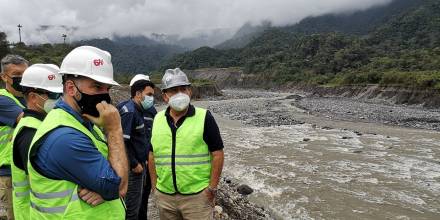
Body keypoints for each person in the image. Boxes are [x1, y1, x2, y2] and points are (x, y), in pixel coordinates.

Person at [27, 46, 128, 219]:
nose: (104, 96)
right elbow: (119, 186)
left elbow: (112, 177)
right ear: (71, 88)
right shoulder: (64, 137)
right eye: (97, 87)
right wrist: (114, 129)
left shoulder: (84, 122)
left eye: (107, 89)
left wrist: (104, 189)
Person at [149, 68, 224, 219]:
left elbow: (217, 154)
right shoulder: (157, 119)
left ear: (190, 92)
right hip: (165, 197)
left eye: (183, 89)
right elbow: (151, 155)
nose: (179, 94)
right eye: (173, 90)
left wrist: (212, 189)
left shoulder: (204, 117)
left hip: (197, 198)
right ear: (164, 96)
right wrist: (155, 187)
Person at [10, 64, 63, 220]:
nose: (59, 99)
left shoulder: (42, 125)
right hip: (35, 214)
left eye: (61, 94)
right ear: (33, 97)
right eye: (54, 95)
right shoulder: (30, 133)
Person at [117, 74, 157, 219]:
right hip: (133, 169)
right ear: (138, 94)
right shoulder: (130, 112)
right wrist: (134, 164)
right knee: (131, 209)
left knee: (140, 204)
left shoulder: (142, 111)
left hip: (141, 165)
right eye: (149, 94)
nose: (152, 98)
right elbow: (121, 143)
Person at [0, 54, 28, 220]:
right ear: (4, 76)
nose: (22, 80)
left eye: (26, 75)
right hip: (7, 174)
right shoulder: (3, 100)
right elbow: (27, 120)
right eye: (17, 76)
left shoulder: (28, 98)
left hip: (26, 170)